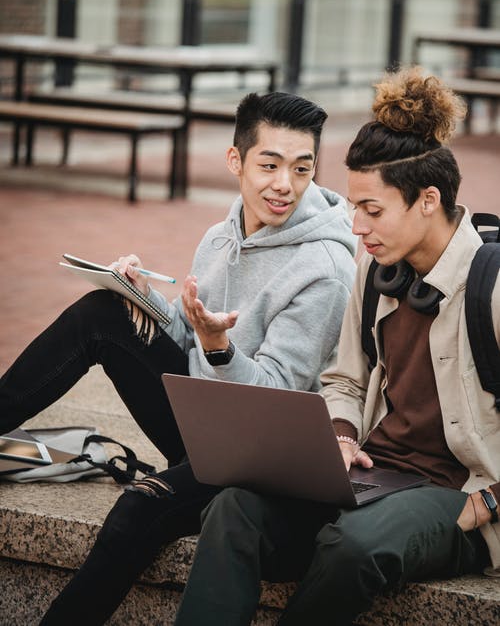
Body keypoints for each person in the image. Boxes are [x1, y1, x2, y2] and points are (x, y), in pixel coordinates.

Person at [1, 90, 357, 624]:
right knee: (103, 311)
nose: (285, 184)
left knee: (139, 507)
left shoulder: (324, 269)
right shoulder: (221, 237)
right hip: (201, 420)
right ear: (236, 161)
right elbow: (192, 339)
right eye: (270, 164)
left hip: (256, 459)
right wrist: (145, 301)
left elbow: (273, 399)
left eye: (301, 168)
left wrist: (218, 347)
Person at [173, 67, 500, 626]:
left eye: (372, 211)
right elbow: (345, 380)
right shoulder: (375, 271)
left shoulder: (491, 285)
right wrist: (342, 436)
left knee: (353, 544)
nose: (356, 226)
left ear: (428, 200)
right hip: (376, 471)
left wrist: (491, 504)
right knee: (234, 507)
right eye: (353, 207)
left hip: (460, 492)